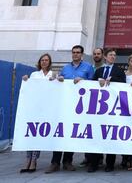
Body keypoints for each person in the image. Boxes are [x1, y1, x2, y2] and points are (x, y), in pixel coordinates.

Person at [45, 45, 94, 174]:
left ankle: (67, 161)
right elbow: (59, 83)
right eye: (74, 52)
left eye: (78, 52)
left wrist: (83, 81)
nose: (75, 54)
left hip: (79, 106)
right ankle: (54, 162)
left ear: (82, 54)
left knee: (71, 132)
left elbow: (93, 84)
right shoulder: (65, 68)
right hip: (64, 105)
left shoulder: (88, 67)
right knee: (60, 132)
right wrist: (59, 79)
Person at [88, 48, 127, 173]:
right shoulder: (98, 71)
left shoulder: (119, 71)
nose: (113, 57)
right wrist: (96, 82)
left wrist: (112, 81)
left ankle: (110, 164)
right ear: (105, 57)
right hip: (98, 108)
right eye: (110, 55)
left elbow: (123, 84)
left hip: (113, 109)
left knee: (111, 135)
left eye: (114, 55)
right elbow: (90, 86)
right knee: (96, 135)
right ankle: (93, 163)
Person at [20, 53, 54, 173]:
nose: (44, 62)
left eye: (46, 60)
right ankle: (28, 159)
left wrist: (57, 80)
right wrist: (26, 80)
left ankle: (34, 160)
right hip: (33, 108)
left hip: (45, 108)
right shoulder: (34, 74)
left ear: (50, 62)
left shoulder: (53, 74)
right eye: (42, 60)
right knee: (31, 132)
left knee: (38, 134)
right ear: (39, 62)